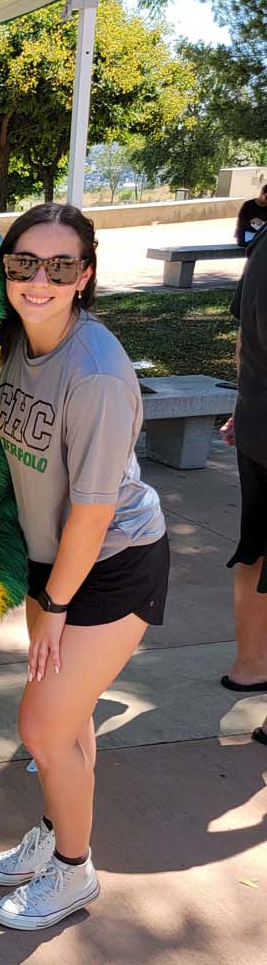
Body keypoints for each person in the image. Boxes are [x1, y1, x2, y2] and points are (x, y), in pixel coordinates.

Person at [0, 202, 169, 930]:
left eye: (61, 268)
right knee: (69, 719)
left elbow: (91, 514)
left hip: (110, 563)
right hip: (47, 559)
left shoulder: (96, 372)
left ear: (84, 277)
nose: (40, 281)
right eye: (25, 264)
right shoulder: (15, 344)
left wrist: (54, 606)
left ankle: (73, 872)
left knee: (43, 727)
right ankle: (54, 839)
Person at [220, 197, 267, 694]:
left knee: (253, 549)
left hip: (256, 423)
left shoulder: (263, 246)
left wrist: (243, 403)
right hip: (256, 419)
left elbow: (242, 342)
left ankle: (251, 664)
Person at [233, 181, 267, 248]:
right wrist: (254, 224)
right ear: (262, 193)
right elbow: (241, 224)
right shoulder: (248, 205)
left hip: (262, 236)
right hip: (246, 236)